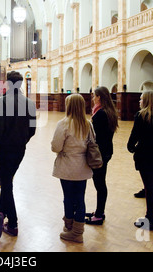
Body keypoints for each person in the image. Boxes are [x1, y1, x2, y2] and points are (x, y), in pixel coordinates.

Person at [0, 71, 36, 240]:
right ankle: (3, 214)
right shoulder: (29, 103)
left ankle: (11, 221)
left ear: (8, 84)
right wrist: (22, 140)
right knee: (7, 181)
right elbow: (32, 129)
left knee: (6, 183)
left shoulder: (2, 103)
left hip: (3, 150)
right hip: (19, 150)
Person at [51, 94, 92, 243]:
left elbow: (56, 146)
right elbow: (92, 145)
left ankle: (69, 228)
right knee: (80, 199)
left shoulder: (64, 123)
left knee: (68, 198)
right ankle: (78, 231)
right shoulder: (88, 124)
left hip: (67, 166)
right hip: (82, 167)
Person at [127, 91, 153, 231]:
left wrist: (132, 148)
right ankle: (152, 217)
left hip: (145, 157)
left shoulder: (141, 116)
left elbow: (134, 138)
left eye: (141, 99)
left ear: (146, 101)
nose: (139, 101)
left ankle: (151, 219)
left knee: (149, 188)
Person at [85, 87, 118, 225]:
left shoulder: (100, 114)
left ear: (99, 97)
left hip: (100, 153)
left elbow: (95, 136)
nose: (93, 98)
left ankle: (99, 214)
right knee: (100, 182)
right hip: (106, 151)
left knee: (99, 183)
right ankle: (99, 211)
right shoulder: (108, 111)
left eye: (94, 96)